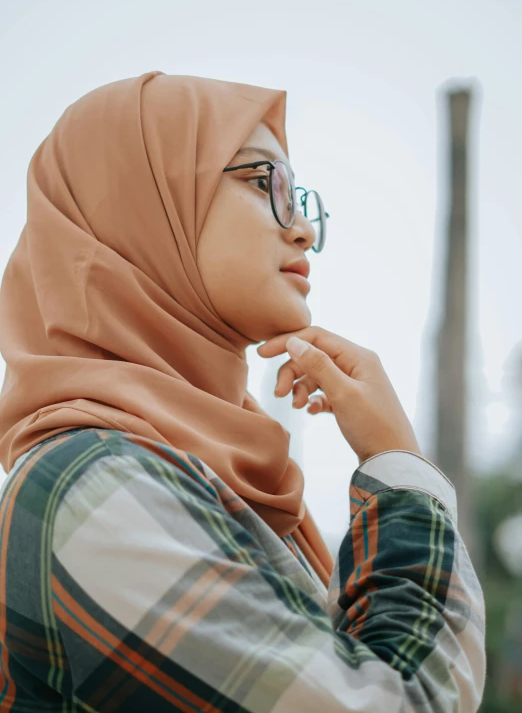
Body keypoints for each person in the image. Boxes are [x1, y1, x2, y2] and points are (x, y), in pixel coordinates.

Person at [0, 71, 485, 712]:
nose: (303, 231)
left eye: (299, 197)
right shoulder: (93, 483)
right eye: (265, 184)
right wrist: (399, 466)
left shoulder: (214, 479)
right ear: (145, 204)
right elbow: (402, 700)